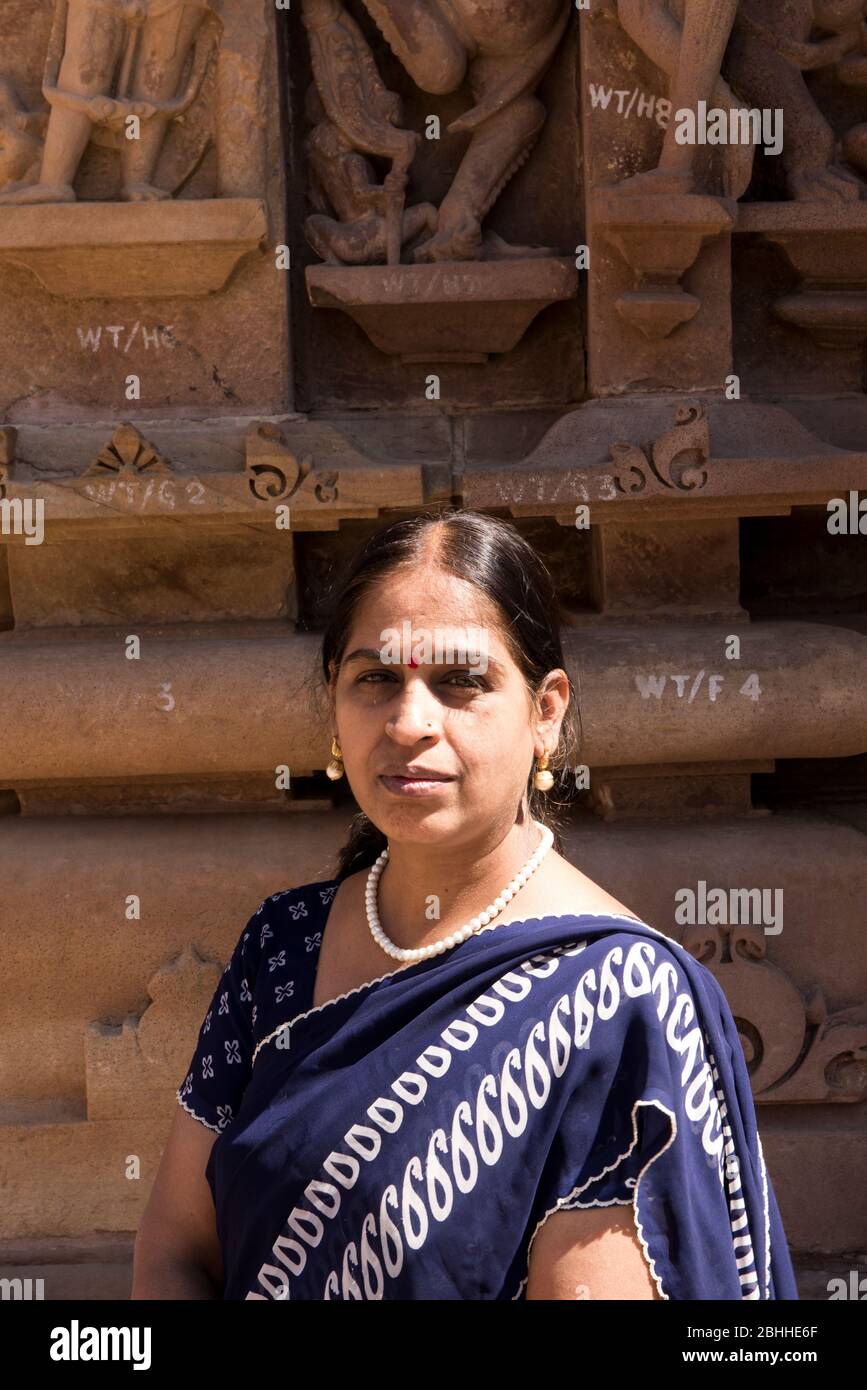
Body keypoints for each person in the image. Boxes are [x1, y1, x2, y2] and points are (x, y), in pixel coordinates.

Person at [132, 509, 798, 1301]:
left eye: (459, 682)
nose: (409, 723)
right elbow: (175, 1248)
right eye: (375, 678)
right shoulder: (284, 944)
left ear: (544, 711)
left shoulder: (616, 996)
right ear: (335, 709)